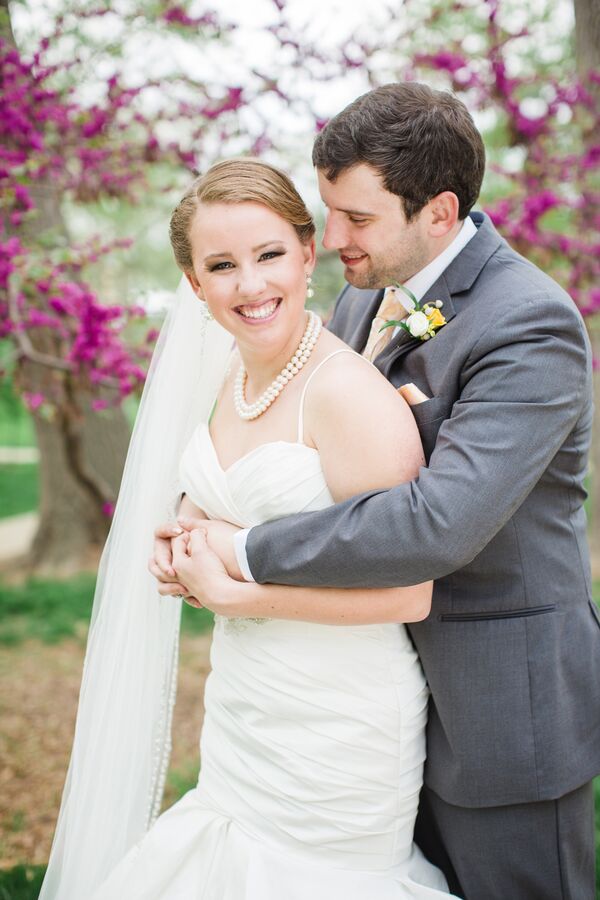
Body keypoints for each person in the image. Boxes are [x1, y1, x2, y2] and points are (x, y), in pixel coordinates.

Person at [154, 84, 600, 899]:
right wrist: (200, 519)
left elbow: (438, 523)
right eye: (330, 212)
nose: (333, 239)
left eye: (356, 218)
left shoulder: (530, 322)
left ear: (438, 210)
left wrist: (244, 552)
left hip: (499, 711)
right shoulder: (365, 291)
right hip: (363, 709)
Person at [40, 157, 460, 899]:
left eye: (269, 254)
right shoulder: (222, 379)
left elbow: (409, 594)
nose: (251, 284)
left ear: (306, 252)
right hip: (246, 707)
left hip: (341, 722)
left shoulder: (347, 396)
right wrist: (184, 533)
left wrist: (236, 597)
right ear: (195, 284)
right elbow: (221, 491)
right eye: (222, 266)